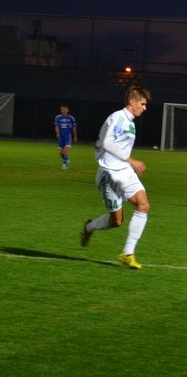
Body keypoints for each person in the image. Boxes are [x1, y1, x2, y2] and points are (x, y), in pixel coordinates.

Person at [80, 87, 152, 270]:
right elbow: (108, 143)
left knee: (143, 205)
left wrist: (128, 163)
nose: (144, 108)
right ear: (132, 102)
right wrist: (131, 160)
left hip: (124, 171)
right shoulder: (119, 117)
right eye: (142, 104)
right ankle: (88, 227)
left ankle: (128, 253)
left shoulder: (130, 123)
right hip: (108, 173)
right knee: (116, 221)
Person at [54, 105, 78, 169]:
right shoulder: (58, 117)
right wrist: (57, 133)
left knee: (65, 150)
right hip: (61, 136)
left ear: (67, 110)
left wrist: (75, 136)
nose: (64, 111)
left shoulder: (71, 118)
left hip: (67, 135)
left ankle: (64, 164)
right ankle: (67, 159)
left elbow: (74, 127)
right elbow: (56, 126)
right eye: (62, 109)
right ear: (61, 110)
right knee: (60, 151)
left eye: (65, 109)